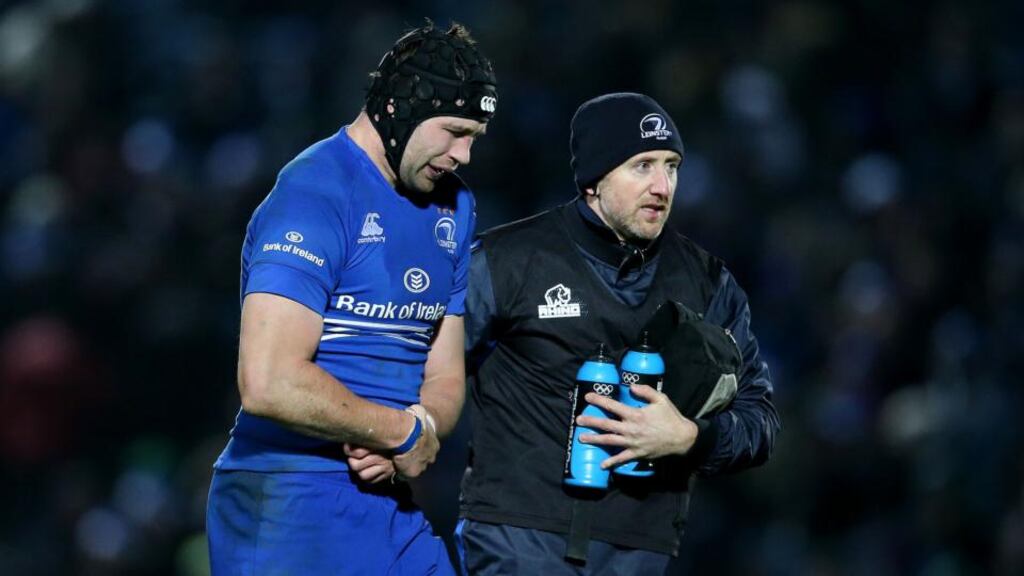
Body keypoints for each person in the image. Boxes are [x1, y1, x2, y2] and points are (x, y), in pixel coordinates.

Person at [206, 21, 497, 575]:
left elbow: (444, 371)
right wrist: (395, 431)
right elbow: (267, 381)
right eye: (455, 130)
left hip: (387, 504)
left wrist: (425, 429)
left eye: (474, 138)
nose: (464, 155)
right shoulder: (314, 193)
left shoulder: (454, 207)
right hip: (287, 497)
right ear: (402, 107)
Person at [456, 92, 779, 574]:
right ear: (593, 180)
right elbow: (421, 361)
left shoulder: (708, 284)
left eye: (671, 166)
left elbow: (762, 420)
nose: (662, 186)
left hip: (638, 551)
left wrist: (692, 437)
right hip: (517, 538)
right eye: (642, 165)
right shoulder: (508, 261)